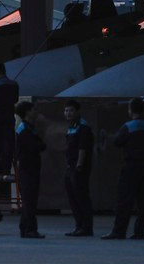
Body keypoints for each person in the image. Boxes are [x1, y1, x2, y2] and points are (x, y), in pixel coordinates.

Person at [103, 97, 144, 240]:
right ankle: (139, 232)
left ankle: (119, 231)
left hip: (131, 166)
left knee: (124, 200)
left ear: (130, 110)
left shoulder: (128, 126)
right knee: (143, 202)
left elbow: (117, 142)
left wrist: (108, 136)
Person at [63, 99, 95, 237]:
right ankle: (79, 225)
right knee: (73, 198)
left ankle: (86, 227)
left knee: (82, 196)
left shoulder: (83, 127)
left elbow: (83, 148)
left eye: (71, 110)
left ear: (77, 111)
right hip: (70, 166)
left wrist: (79, 164)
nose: (68, 113)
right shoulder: (71, 127)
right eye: (66, 110)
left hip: (78, 167)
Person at [14, 100, 46, 239]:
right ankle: (30, 229)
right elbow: (37, 146)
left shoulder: (27, 127)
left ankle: (25, 228)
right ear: (27, 112)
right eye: (34, 109)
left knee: (29, 199)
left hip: (28, 167)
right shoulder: (26, 129)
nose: (36, 112)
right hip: (29, 167)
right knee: (30, 200)